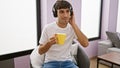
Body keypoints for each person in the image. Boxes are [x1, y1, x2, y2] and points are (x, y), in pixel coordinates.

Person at [38, 0, 89, 68]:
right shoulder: (48, 28)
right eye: (61, 12)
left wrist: (74, 24)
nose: (65, 15)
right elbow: (40, 51)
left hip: (68, 63)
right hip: (51, 63)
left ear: (71, 14)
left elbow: (85, 44)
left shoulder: (72, 28)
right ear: (56, 13)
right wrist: (49, 43)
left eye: (67, 11)